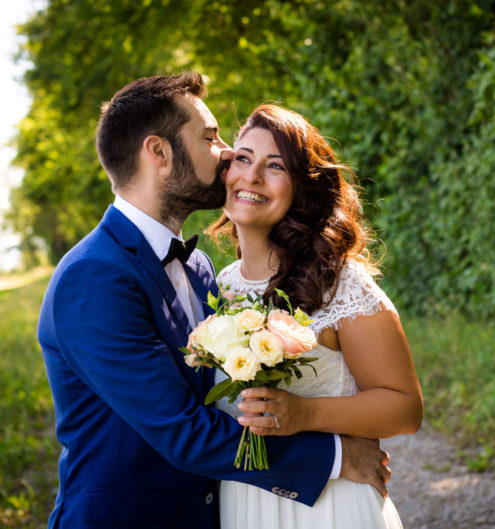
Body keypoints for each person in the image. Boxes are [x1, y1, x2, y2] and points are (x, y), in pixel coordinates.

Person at [37, 73, 390, 529]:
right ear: (159, 153)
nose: (226, 151)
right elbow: (183, 432)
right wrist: (336, 456)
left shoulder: (200, 268)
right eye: (209, 137)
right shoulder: (94, 277)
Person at [207, 104, 424, 528]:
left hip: (329, 508)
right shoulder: (222, 285)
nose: (251, 176)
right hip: (244, 504)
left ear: (302, 189)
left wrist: (306, 415)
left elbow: (405, 408)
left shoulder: (341, 283)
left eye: (275, 166)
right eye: (244, 159)